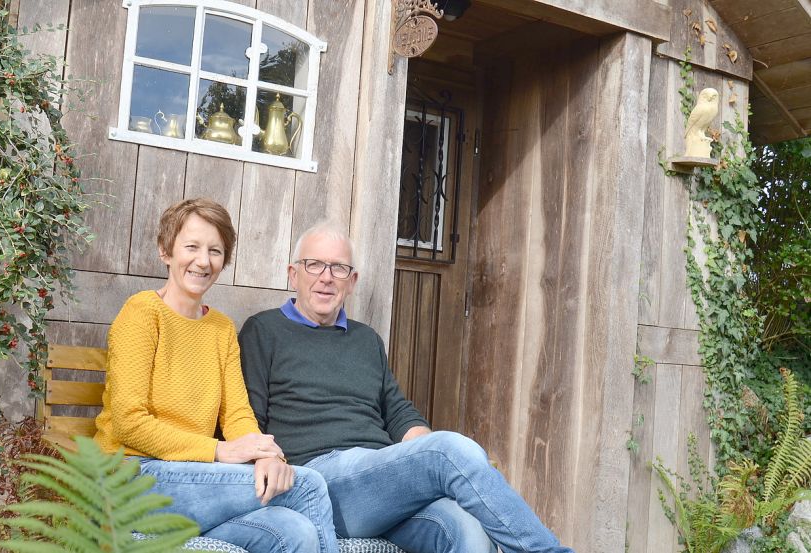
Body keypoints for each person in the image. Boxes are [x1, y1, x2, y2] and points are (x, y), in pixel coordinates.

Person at [238, 222, 575, 553]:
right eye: (314, 265)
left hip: (382, 478)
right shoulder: (264, 331)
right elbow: (246, 417)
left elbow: (399, 414)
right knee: (450, 451)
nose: (326, 277)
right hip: (319, 479)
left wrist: (456, 468)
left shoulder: (365, 339)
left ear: (352, 282)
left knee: (467, 527)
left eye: (339, 268)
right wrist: (448, 458)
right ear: (293, 274)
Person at [93, 199, 338, 553]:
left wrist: (267, 455)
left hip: (195, 483)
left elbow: (237, 414)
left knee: (294, 531)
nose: (203, 261)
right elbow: (129, 423)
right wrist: (220, 451)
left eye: (215, 251)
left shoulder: (221, 328)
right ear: (166, 251)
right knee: (309, 485)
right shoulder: (142, 313)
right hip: (132, 476)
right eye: (191, 247)